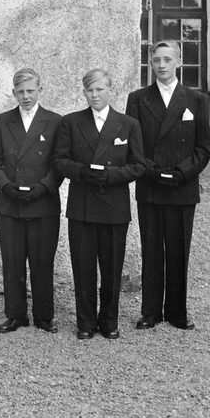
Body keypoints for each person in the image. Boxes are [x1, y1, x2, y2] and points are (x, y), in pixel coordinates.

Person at [125, 41, 210, 331]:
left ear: (178, 62)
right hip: (150, 185)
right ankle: (150, 311)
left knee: (178, 249)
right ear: (150, 64)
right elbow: (133, 147)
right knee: (151, 249)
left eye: (167, 60)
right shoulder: (138, 99)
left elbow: (203, 149)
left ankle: (177, 311)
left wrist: (181, 173)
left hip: (182, 187)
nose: (161, 65)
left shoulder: (195, 100)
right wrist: (152, 172)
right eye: (156, 60)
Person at [52, 69, 146, 340]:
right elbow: (60, 160)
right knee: (82, 267)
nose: (94, 95)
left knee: (112, 267)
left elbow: (139, 165)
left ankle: (109, 321)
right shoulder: (71, 122)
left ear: (110, 90)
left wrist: (110, 175)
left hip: (114, 205)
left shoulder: (127, 124)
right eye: (89, 90)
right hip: (82, 204)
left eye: (99, 89)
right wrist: (82, 172)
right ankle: (85, 322)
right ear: (83, 93)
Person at [0, 68, 63, 334]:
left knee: (42, 260)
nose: (26, 96)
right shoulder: (2, 120)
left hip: (43, 203)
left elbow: (59, 163)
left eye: (30, 91)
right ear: (13, 93)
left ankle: (44, 315)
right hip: (9, 203)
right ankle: (15, 314)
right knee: (13, 260)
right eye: (20, 92)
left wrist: (42, 188)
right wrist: (6, 187)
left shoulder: (54, 121)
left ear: (40, 90)